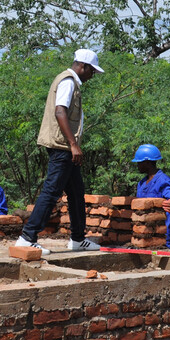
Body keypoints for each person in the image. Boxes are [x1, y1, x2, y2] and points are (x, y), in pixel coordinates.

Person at [16, 49, 104, 255]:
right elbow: (59, 111)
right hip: (62, 146)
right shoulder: (68, 82)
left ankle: (77, 239)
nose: (93, 76)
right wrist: (73, 144)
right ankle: (27, 237)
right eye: (92, 71)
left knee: (76, 192)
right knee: (51, 191)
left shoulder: (72, 82)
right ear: (83, 66)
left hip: (65, 147)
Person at [132, 144, 170, 251]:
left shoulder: (162, 180)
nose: (137, 165)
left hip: (162, 234)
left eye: (139, 162)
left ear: (147, 162)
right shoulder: (141, 183)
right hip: (144, 234)